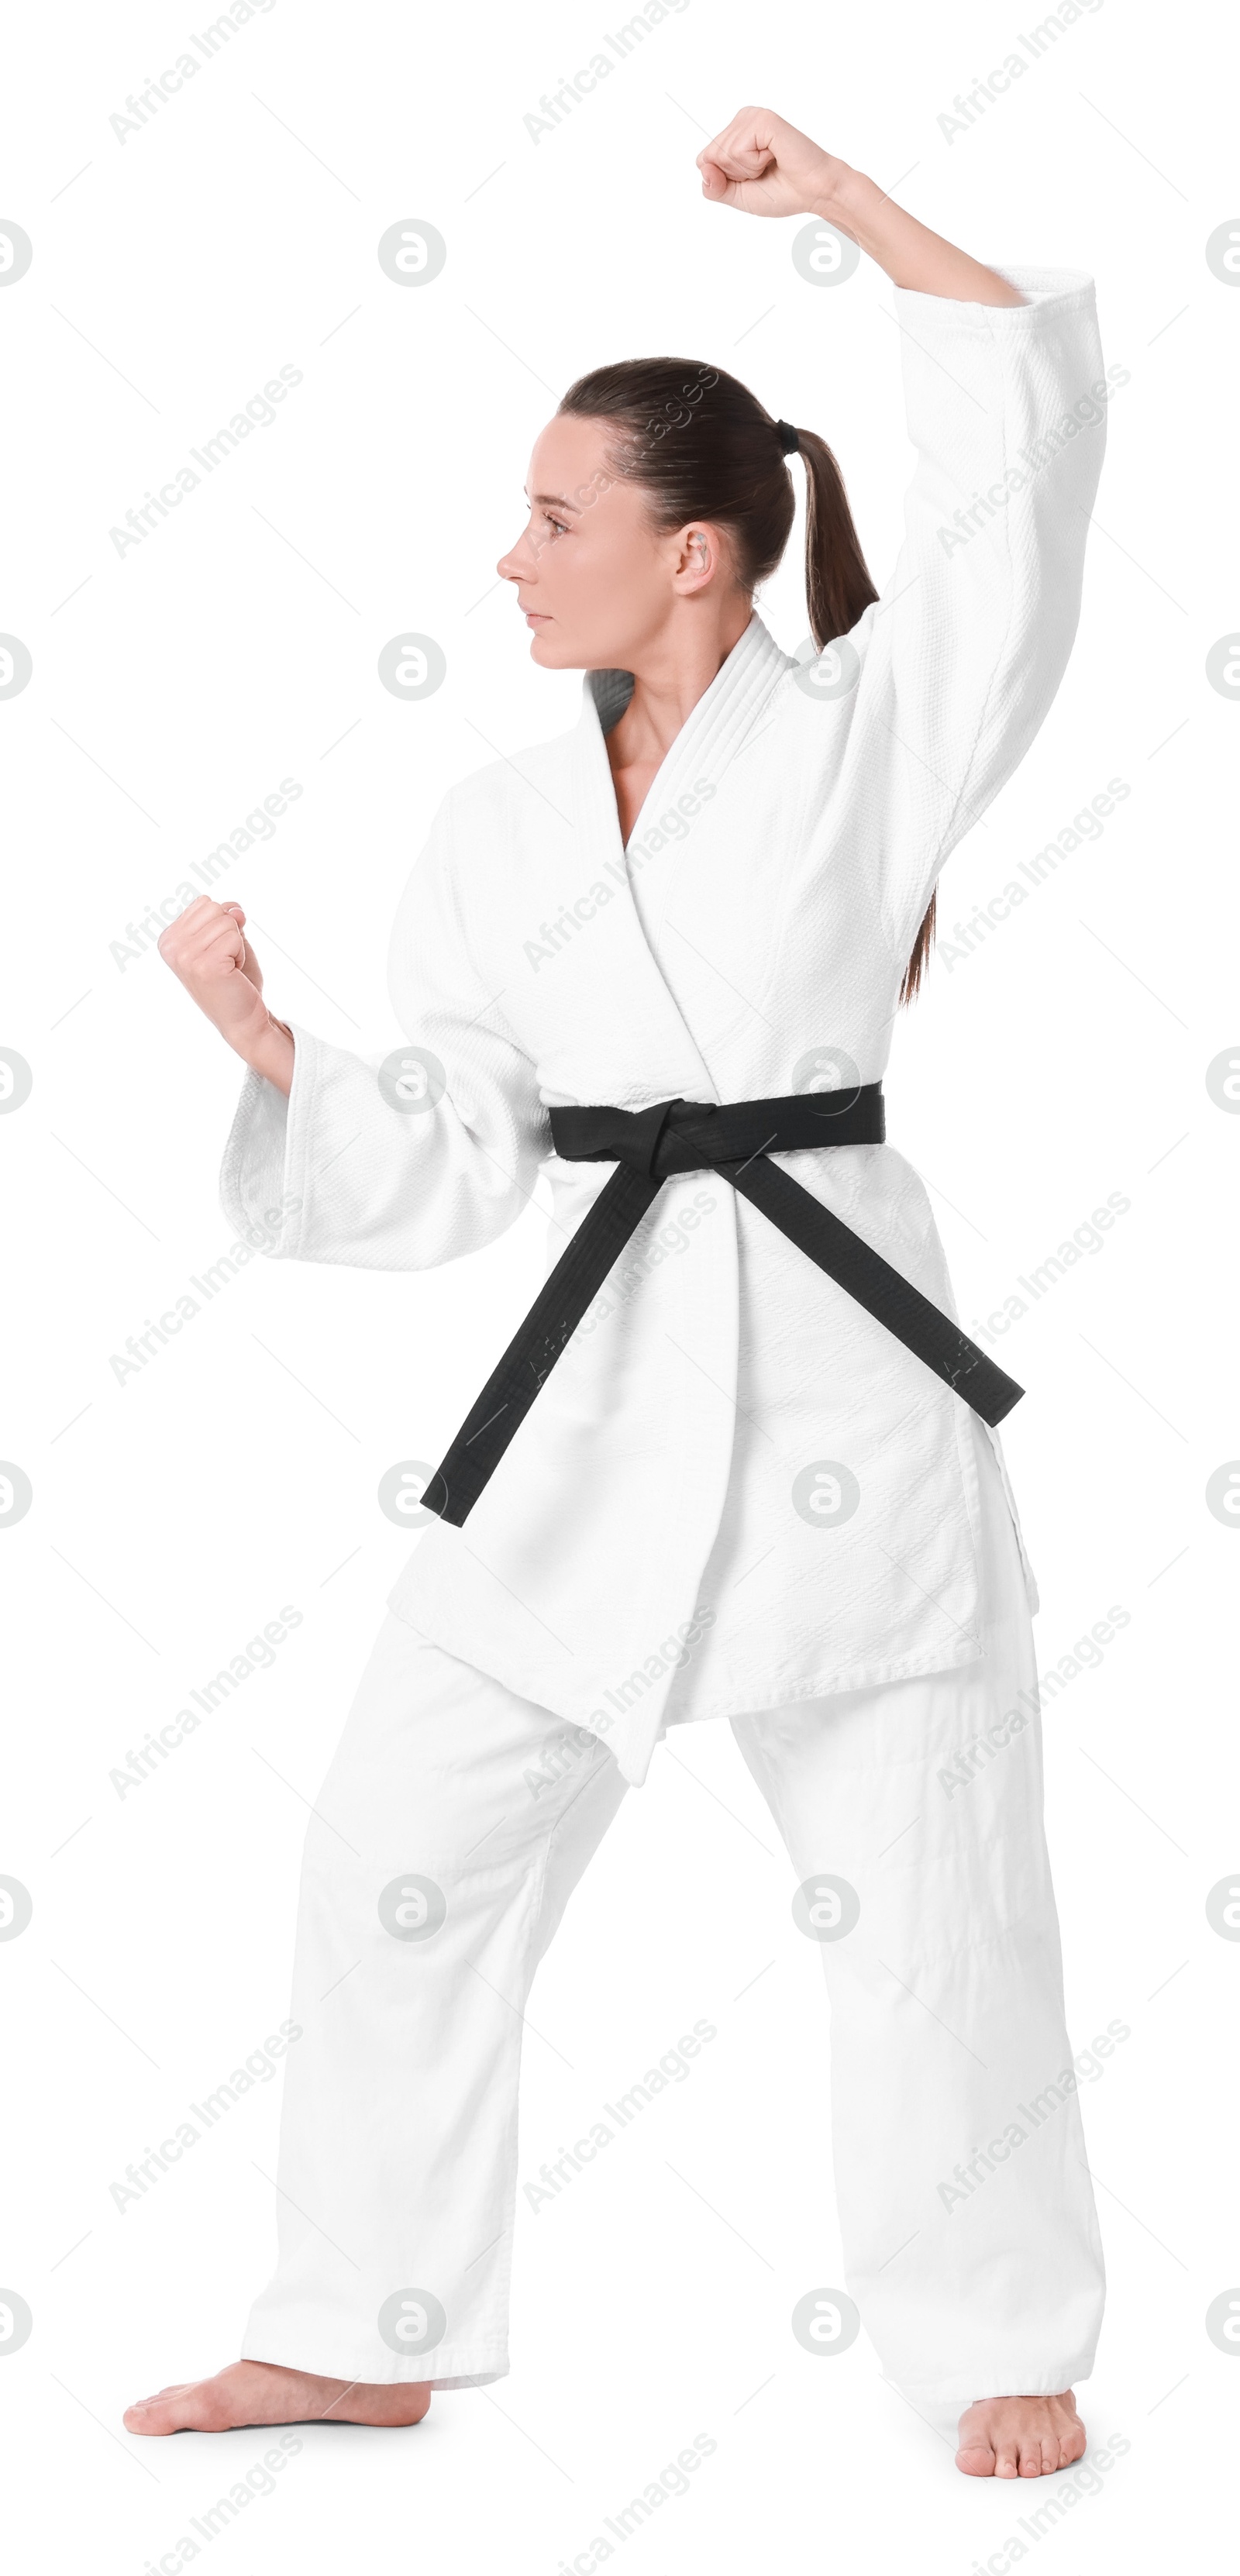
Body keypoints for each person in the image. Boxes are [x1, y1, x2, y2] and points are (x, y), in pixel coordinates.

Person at [124, 108, 1110, 2480]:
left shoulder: (876, 739)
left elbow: (1016, 501)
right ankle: (364, 2316)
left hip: (841, 1386)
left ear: (698, 555)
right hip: (597, 1403)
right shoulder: (497, 826)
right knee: (392, 1844)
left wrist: (858, 215)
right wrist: (282, 1058)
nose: (508, 557)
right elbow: (473, 1134)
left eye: (554, 519)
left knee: (937, 1895)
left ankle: (1002, 2326)